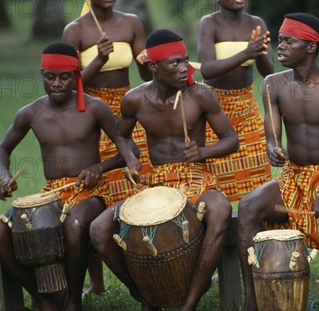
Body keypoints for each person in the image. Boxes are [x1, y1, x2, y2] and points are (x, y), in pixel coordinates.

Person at [89, 29, 239, 311]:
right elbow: (121, 135)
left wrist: (202, 152)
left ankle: (191, 301)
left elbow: (232, 140)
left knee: (220, 211)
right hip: (155, 182)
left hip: (195, 177)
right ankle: (146, 294)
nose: (185, 68)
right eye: (176, 63)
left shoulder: (201, 95)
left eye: (186, 61)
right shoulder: (135, 100)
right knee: (99, 229)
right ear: (153, 66)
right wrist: (131, 159)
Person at [0, 43, 132, 311]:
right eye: (49, 77)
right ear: (42, 75)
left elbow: (129, 150)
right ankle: (43, 298)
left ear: (77, 75)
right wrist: (5, 175)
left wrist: (99, 168)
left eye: (64, 77)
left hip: (92, 191)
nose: (56, 83)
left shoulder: (94, 108)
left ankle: (72, 301)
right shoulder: (31, 112)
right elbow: (1, 148)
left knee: (75, 223)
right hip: (53, 192)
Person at [238, 13, 319, 311]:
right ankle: (252, 301)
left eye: (287, 41)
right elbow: (273, 135)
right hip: (293, 177)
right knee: (247, 206)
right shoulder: (272, 83)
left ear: (310, 47)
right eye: (279, 40)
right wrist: (273, 148)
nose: (279, 46)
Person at [62, 0, 152, 294]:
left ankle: (151, 266)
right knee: (96, 190)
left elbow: (145, 77)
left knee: (137, 183)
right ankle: (96, 282)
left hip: (128, 110)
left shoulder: (131, 23)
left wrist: (147, 63)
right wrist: (97, 60)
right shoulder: (75, 31)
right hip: (91, 114)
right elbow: (68, 86)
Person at [196, 0, 273, 201]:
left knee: (257, 170)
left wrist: (259, 52)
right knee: (216, 176)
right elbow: (207, 69)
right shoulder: (209, 24)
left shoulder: (256, 22)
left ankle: (255, 229)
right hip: (213, 106)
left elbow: (268, 71)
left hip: (246, 105)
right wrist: (246, 52)